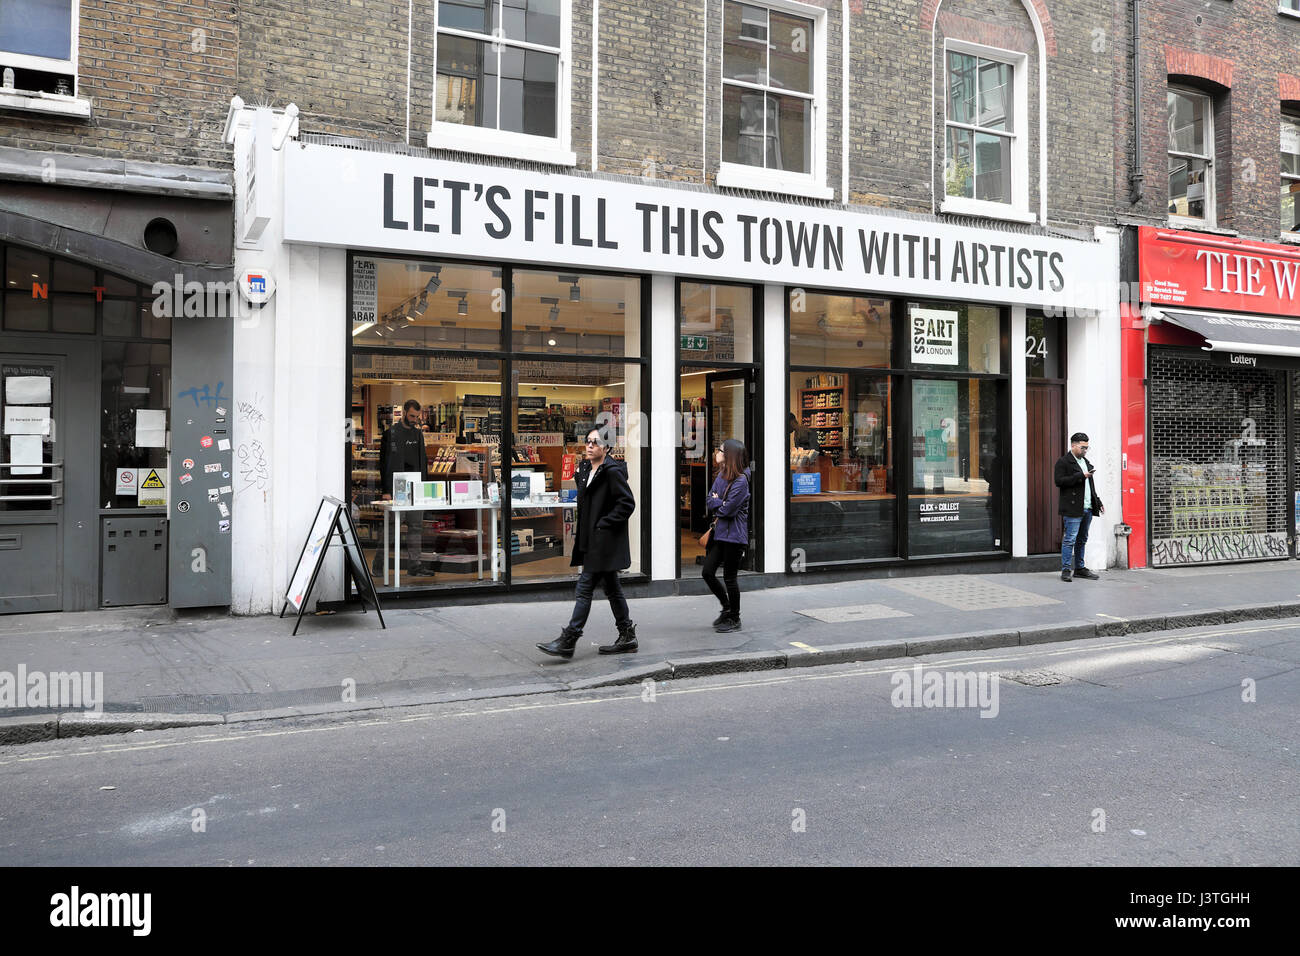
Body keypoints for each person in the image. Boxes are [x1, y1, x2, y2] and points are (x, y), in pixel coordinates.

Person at [537, 427, 637, 658]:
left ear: (607, 447)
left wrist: (603, 524)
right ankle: (627, 635)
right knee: (612, 589)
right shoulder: (584, 469)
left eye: (595, 442)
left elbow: (627, 503)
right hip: (590, 539)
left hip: (603, 541)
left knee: (584, 589)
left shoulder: (612, 471)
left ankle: (568, 640)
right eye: (588, 441)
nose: (590, 446)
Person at [379, 398, 433, 577]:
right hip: (397, 486)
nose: (414, 419)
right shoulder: (391, 433)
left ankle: (415, 564)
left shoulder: (418, 434)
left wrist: (424, 488)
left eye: (417, 417)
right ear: (403, 412)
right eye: (411, 416)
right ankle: (379, 562)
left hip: (416, 486)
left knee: (416, 526)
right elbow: (384, 463)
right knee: (392, 526)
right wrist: (386, 490)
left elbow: (422, 462)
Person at [702, 439, 751, 633]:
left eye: (720, 450)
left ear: (728, 455)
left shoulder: (741, 481)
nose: (717, 453)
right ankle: (727, 607)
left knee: (730, 578)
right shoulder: (722, 475)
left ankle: (735, 617)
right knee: (707, 572)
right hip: (720, 533)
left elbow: (728, 510)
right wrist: (719, 502)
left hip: (734, 536)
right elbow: (709, 499)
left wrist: (719, 502)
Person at [1054, 432, 1104, 582]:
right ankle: (1066, 570)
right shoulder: (1063, 462)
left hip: (1087, 507)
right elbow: (1059, 481)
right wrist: (1081, 476)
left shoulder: (1086, 462)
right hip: (1073, 508)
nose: (1085, 450)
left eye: (1087, 448)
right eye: (1083, 447)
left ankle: (1080, 569)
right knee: (1070, 539)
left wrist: (1098, 501)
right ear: (1074, 445)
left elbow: (1090, 486)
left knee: (1082, 539)